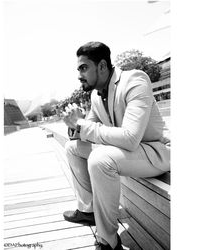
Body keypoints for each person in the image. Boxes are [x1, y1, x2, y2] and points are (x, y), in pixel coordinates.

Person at [62, 41, 170, 250]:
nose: (79, 74)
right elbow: (87, 131)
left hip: (155, 151)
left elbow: (130, 138)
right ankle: (88, 210)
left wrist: (82, 125)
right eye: (78, 69)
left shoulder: (135, 80)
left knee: (100, 159)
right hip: (127, 153)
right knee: (72, 148)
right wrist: (74, 123)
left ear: (102, 66)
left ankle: (108, 241)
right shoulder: (95, 94)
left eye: (83, 68)